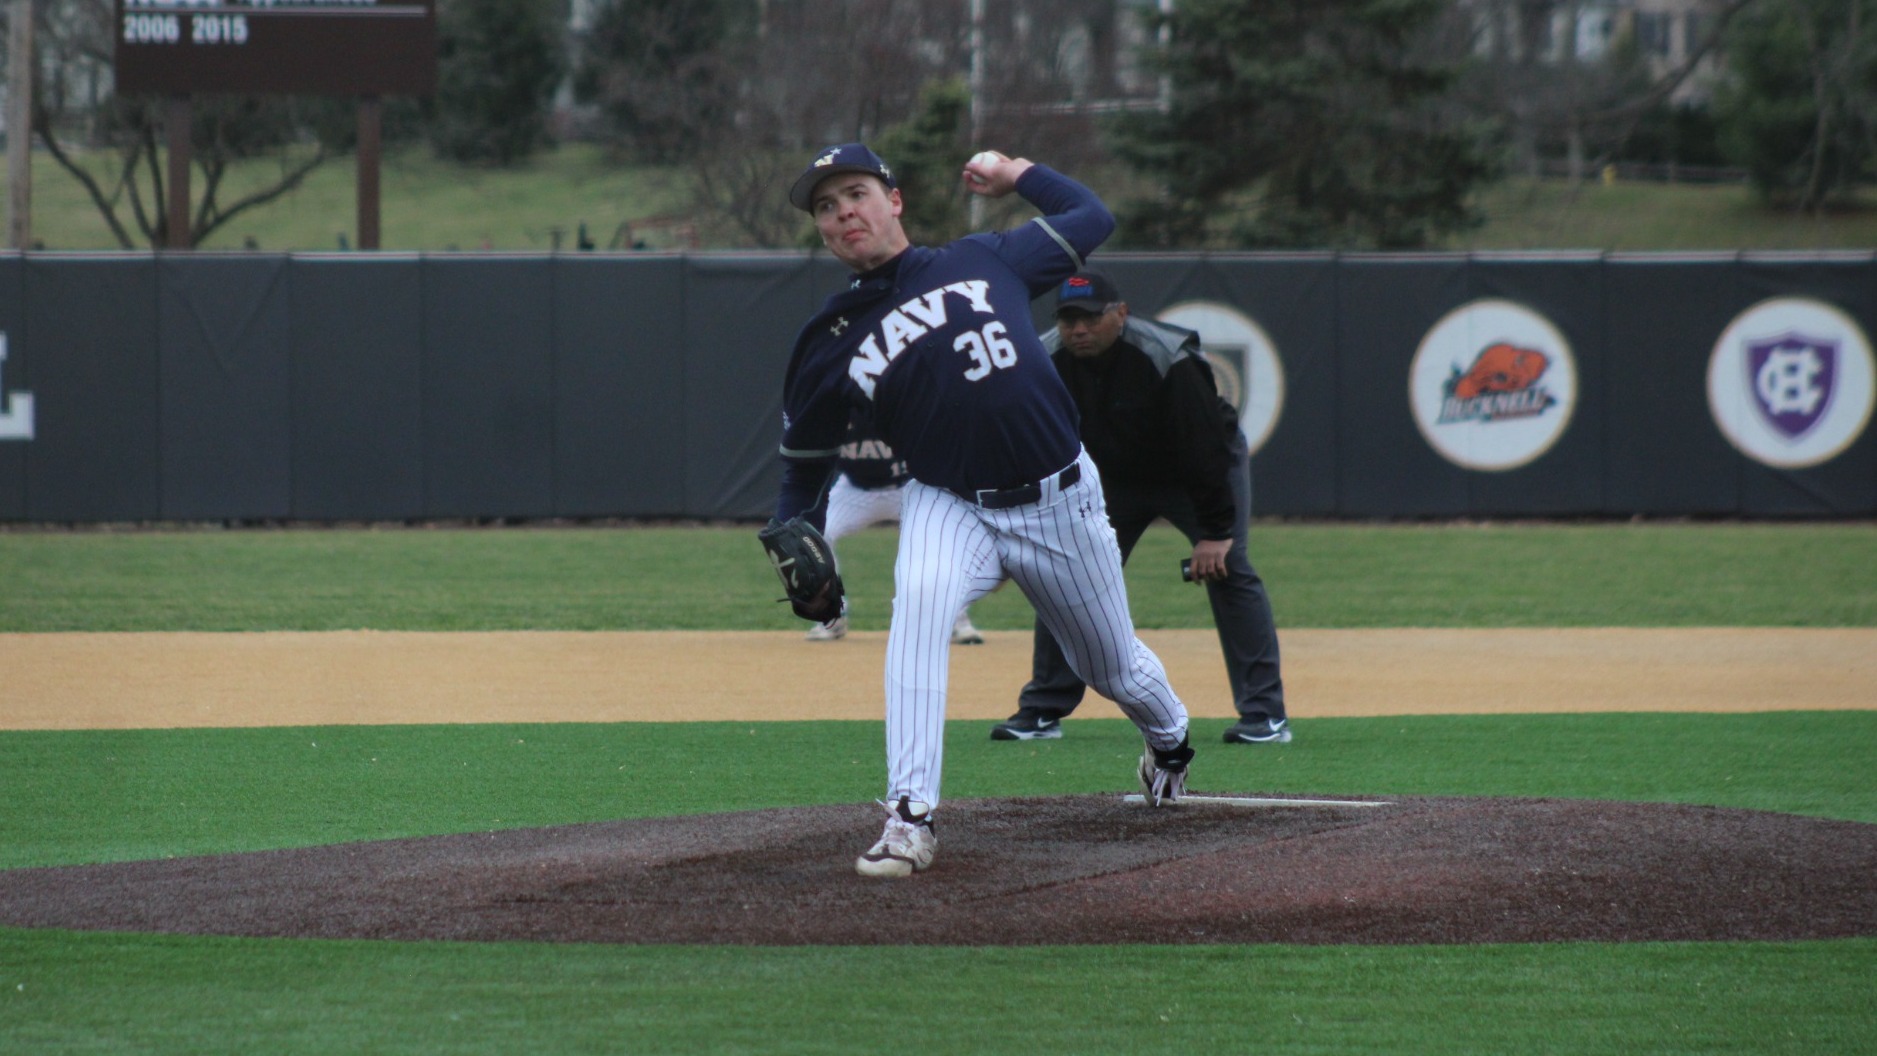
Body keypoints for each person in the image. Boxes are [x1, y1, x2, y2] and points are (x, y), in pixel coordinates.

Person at [767, 143, 1194, 878]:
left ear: (893, 200)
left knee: (1111, 667)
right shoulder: (829, 340)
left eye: (856, 193)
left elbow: (1090, 216)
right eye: (827, 207)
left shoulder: (985, 258)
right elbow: (801, 465)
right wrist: (791, 531)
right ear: (823, 231)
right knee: (919, 611)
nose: (844, 213)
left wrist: (1019, 173)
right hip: (945, 498)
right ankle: (909, 816)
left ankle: (1170, 738)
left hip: (1059, 498)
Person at [991, 271, 1290, 746]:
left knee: (1229, 568)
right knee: (1062, 572)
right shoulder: (1044, 359)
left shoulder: (1166, 356)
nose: (1078, 330)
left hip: (1194, 471)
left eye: (1090, 318)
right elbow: (1028, 442)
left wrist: (1215, 531)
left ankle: (1265, 715)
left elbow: (1204, 444)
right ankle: (1042, 709)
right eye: (1069, 319)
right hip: (1111, 478)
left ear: (1121, 314)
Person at [802, 410, 984, 646]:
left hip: (908, 485)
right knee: (816, 533)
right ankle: (832, 616)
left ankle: (956, 619)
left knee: (943, 537)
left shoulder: (897, 403)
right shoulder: (834, 409)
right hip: (854, 490)